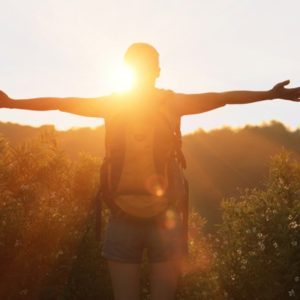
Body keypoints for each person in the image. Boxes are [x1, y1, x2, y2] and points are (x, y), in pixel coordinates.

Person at [0, 43, 299, 300]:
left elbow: (59, 104)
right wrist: (271, 95)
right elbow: (223, 97)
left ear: (127, 70)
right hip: (165, 219)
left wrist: (11, 104)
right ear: (157, 70)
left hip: (121, 213)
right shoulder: (172, 102)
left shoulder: (112, 104)